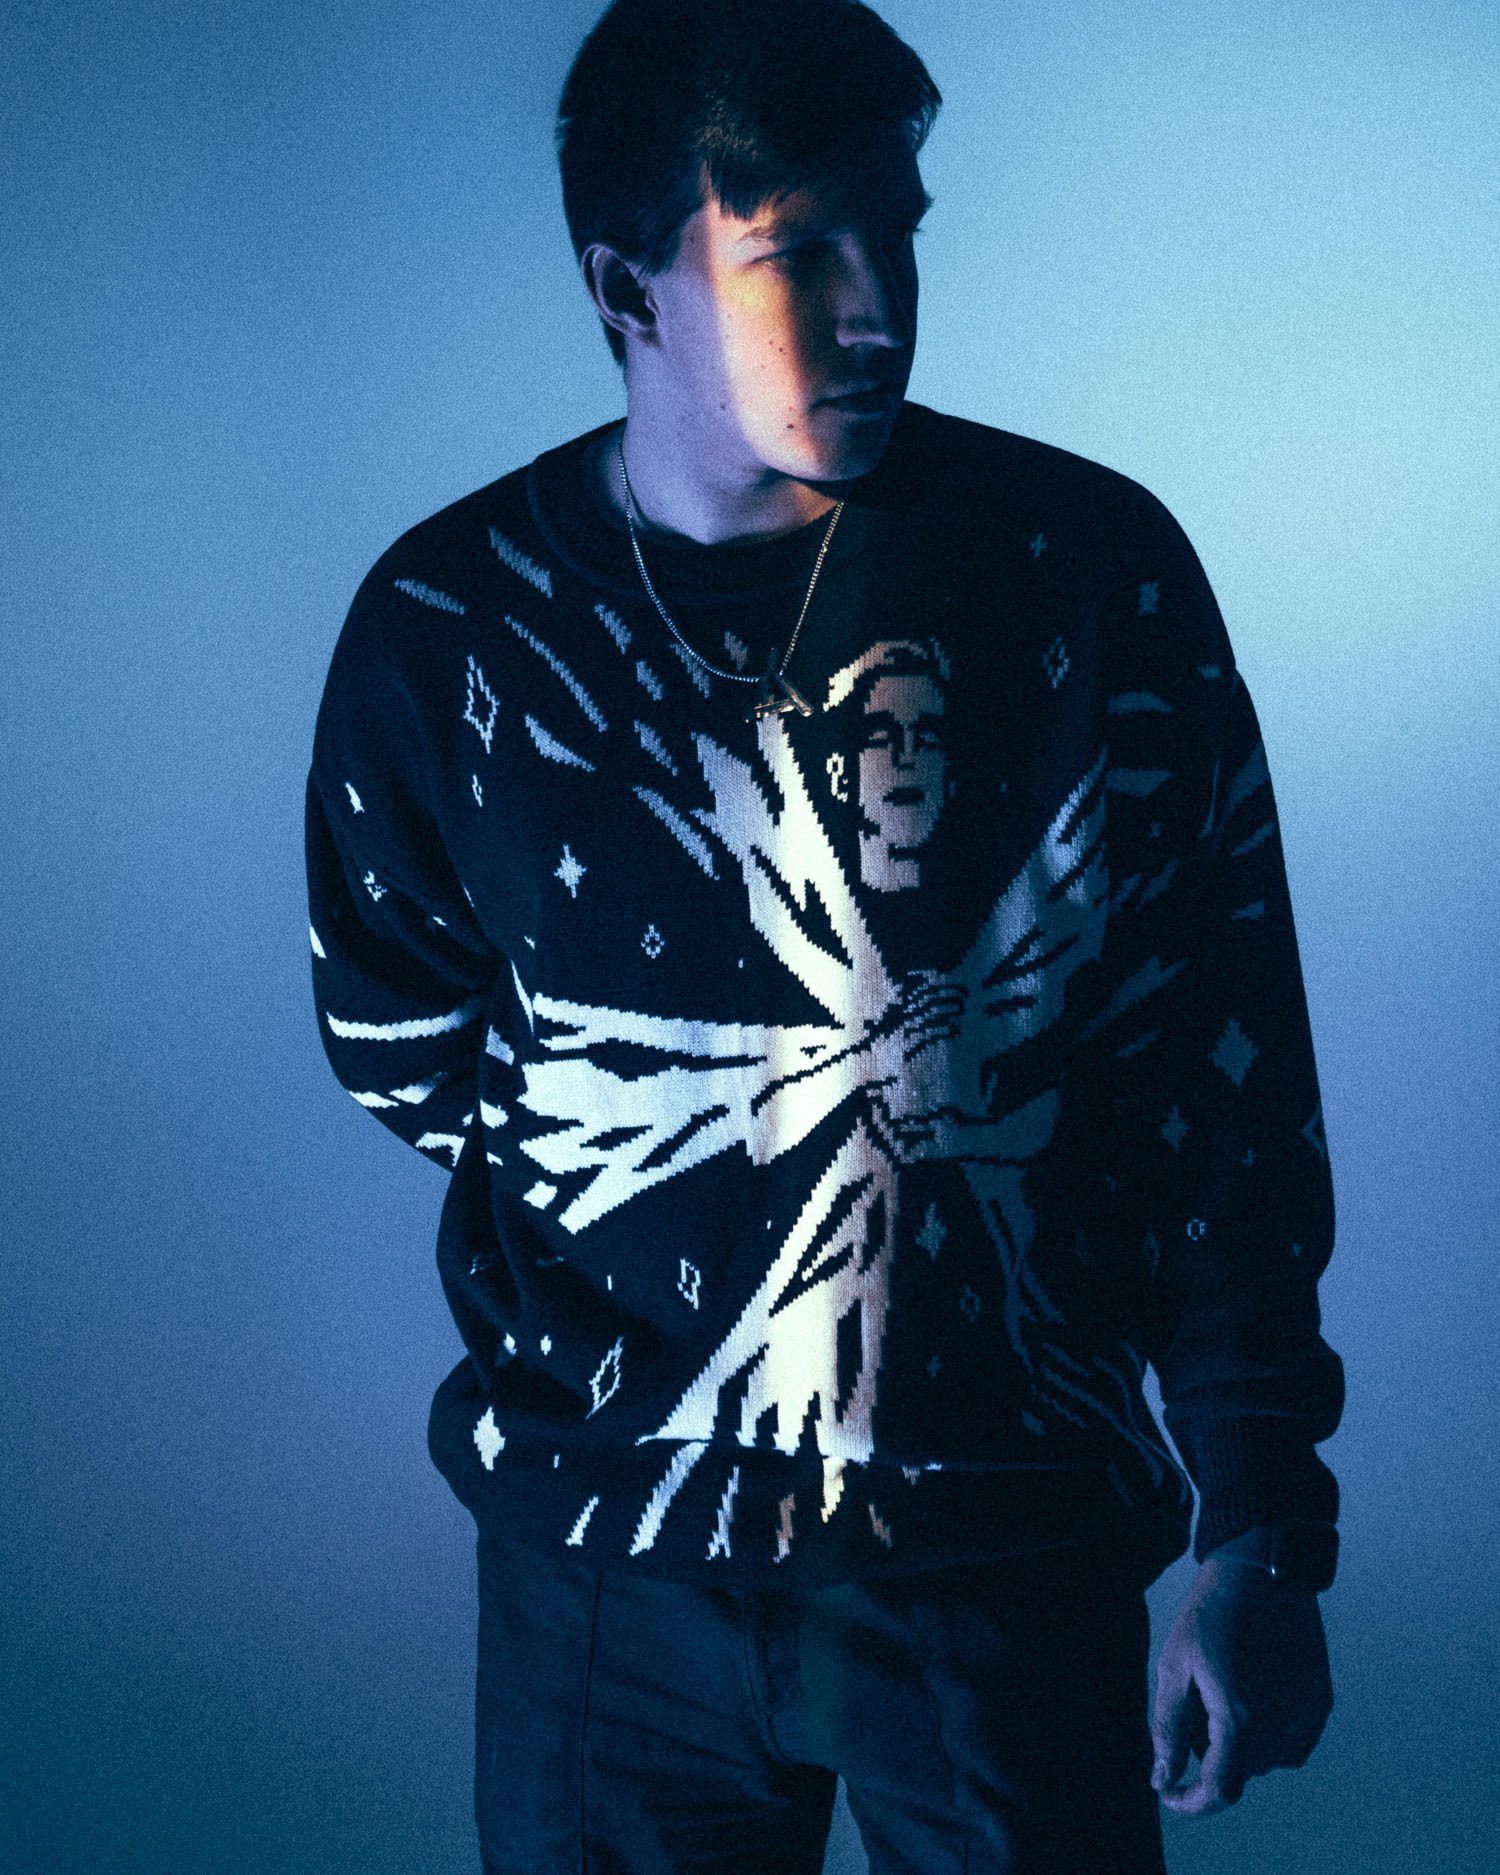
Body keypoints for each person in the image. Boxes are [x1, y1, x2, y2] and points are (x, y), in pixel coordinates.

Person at [304, 2, 1345, 1868]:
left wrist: (1257, 1526)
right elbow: (403, 1042)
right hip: (606, 1574)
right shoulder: (449, 630)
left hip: (1007, 1540)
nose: (878, 312)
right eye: (795, 254)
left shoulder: (1086, 573)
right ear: (628, 288)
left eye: (900, 234)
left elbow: (1221, 1071)